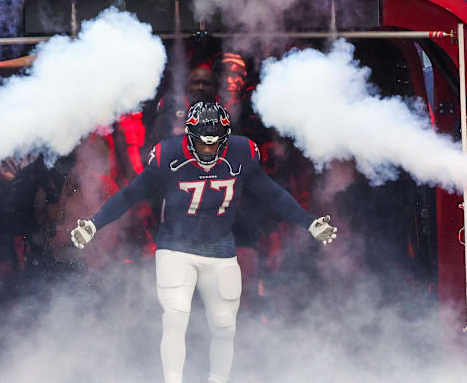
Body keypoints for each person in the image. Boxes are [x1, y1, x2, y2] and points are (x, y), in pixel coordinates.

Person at [69, 101, 338, 383]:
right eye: (203, 143)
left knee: (224, 326)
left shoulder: (242, 153)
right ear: (189, 136)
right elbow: (130, 194)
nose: (209, 150)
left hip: (220, 248)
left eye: (215, 144)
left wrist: (308, 222)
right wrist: (93, 224)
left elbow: (272, 194)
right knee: (175, 317)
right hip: (176, 247)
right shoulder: (168, 156)